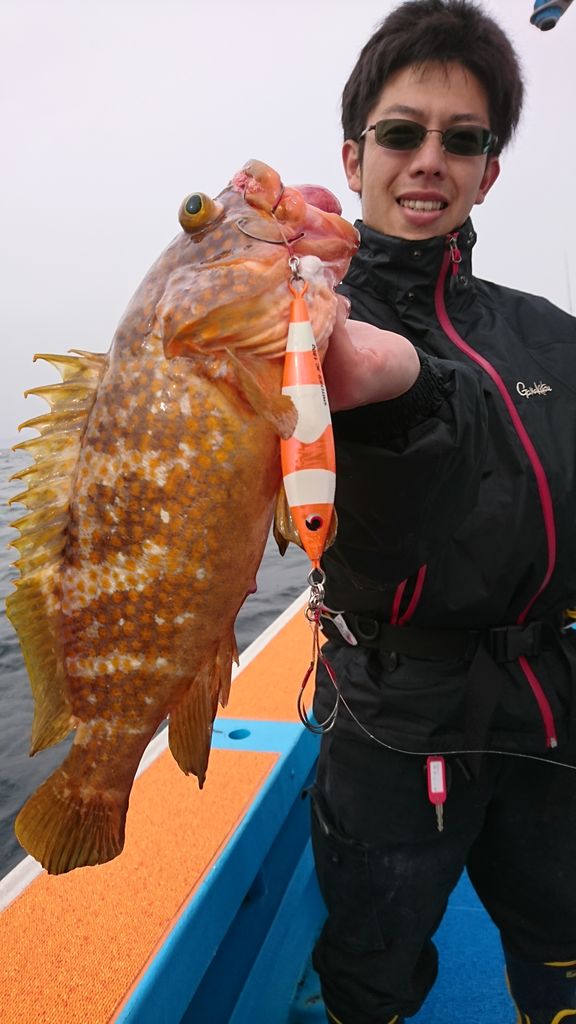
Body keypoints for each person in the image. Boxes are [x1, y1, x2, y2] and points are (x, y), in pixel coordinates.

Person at [311, 2, 576, 1022]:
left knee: (564, 945)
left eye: (462, 140)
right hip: (392, 717)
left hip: (550, 704)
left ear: (488, 172)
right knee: (372, 964)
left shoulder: (548, 333)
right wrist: (397, 388)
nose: (430, 160)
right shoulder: (309, 328)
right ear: (354, 156)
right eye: (401, 132)